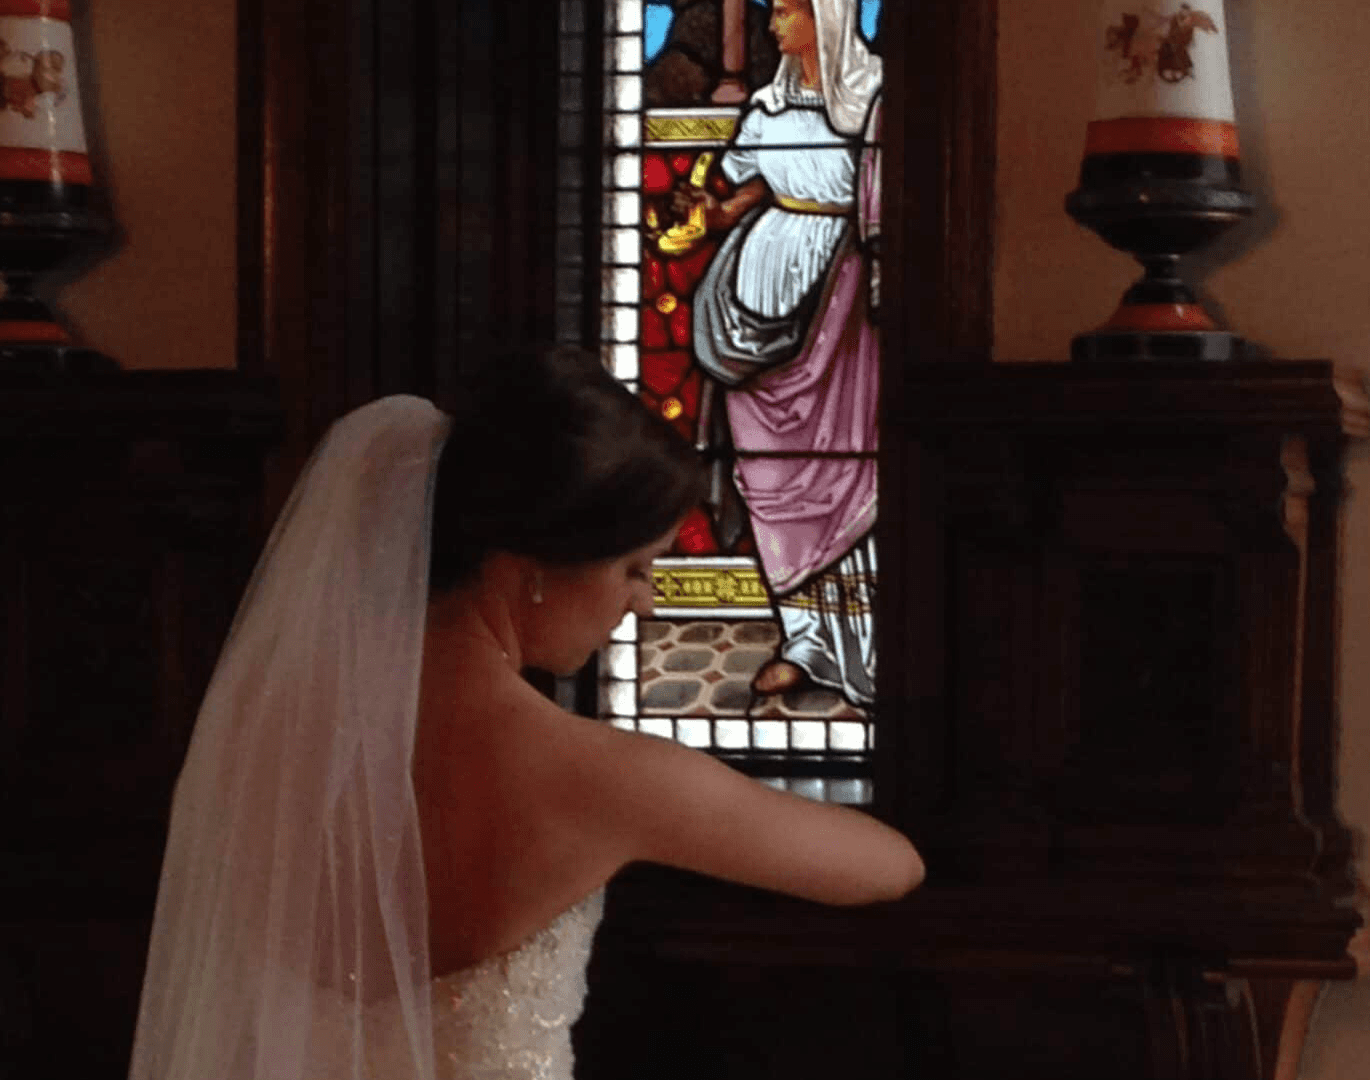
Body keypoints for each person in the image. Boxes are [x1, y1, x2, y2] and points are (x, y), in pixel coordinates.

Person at [127, 347, 924, 1080]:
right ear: (530, 569)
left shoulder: (255, 734)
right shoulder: (601, 778)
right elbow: (891, 868)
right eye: (633, 568)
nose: (640, 602)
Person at [681, 0, 884, 708]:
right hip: (754, 303)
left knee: (847, 473)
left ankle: (859, 640)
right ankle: (801, 636)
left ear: (826, 17)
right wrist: (709, 216)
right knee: (768, 478)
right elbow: (755, 185)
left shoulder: (872, 102)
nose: (772, 23)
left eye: (788, 10)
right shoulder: (767, 106)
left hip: (840, 309)